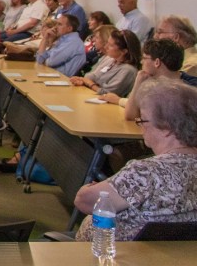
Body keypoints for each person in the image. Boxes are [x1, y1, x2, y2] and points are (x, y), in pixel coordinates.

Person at [74, 81, 197, 242]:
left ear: (166, 128)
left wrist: (87, 189)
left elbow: (85, 202)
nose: (141, 127)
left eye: (143, 121)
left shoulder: (146, 172)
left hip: (112, 255)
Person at [99, 39, 197, 117]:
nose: (141, 62)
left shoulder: (190, 87)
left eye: (145, 58)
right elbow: (130, 115)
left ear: (157, 62)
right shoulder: (152, 81)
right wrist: (138, 81)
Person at [70, 28, 141, 97]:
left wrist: (90, 84)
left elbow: (108, 94)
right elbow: (92, 76)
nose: (106, 47)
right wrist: (82, 80)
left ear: (124, 51)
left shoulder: (128, 70)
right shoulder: (109, 59)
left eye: (110, 45)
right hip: (91, 96)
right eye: (107, 43)